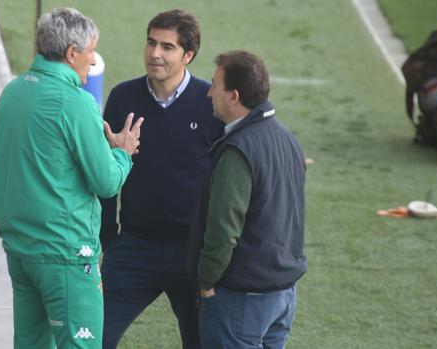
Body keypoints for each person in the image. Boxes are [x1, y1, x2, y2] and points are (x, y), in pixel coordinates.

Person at [0, 8, 143, 349]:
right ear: (72, 53)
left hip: (20, 249)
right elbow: (106, 182)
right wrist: (123, 152)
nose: (92, 61)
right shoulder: (76, 104)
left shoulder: (12, 92)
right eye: (91, 51)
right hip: (64, 252)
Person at [100, 9, 224, 349]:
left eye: (167, 47)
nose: (155, 53)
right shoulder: (123, 98)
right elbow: (105, 172)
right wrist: (108, 239)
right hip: (133, 248)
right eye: (151, 43)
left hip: (191, 254)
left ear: (188, 55)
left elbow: (227, 184)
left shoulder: (210, 103)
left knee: (202, 342)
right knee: (92, 338)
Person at [188, 50, 307, 349]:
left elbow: (223, 229)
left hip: (242, 300)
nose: (209, 94)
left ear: (233, 96)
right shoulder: (287, 139)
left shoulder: (238, 150)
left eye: (215, 85)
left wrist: (206, 282)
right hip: (282, 294)